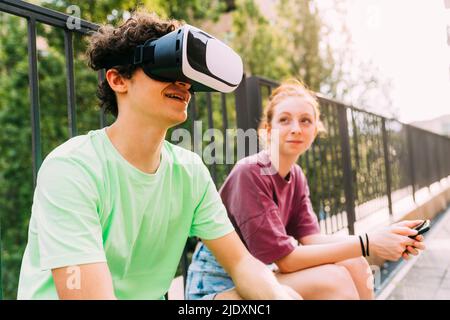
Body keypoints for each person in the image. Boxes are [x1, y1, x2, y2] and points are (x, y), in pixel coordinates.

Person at [16, 10, 300, 300]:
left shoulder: (189, 171)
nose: (184, 85)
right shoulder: (72, 168)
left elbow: (240, 263)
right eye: (167, 68)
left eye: (188, 76)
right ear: (118, 80)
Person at [186, 79, 426, 300]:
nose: (296, 128)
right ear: (268, 130)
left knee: (356, 264)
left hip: (261, 278)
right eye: (284, 120)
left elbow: (311, 240)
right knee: (335, 280)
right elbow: (287, 261)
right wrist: (367, 243)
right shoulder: (250, 172)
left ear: (315, 130)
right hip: (214, 290)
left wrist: (383, 236)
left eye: (305, 120)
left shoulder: (296, 176)